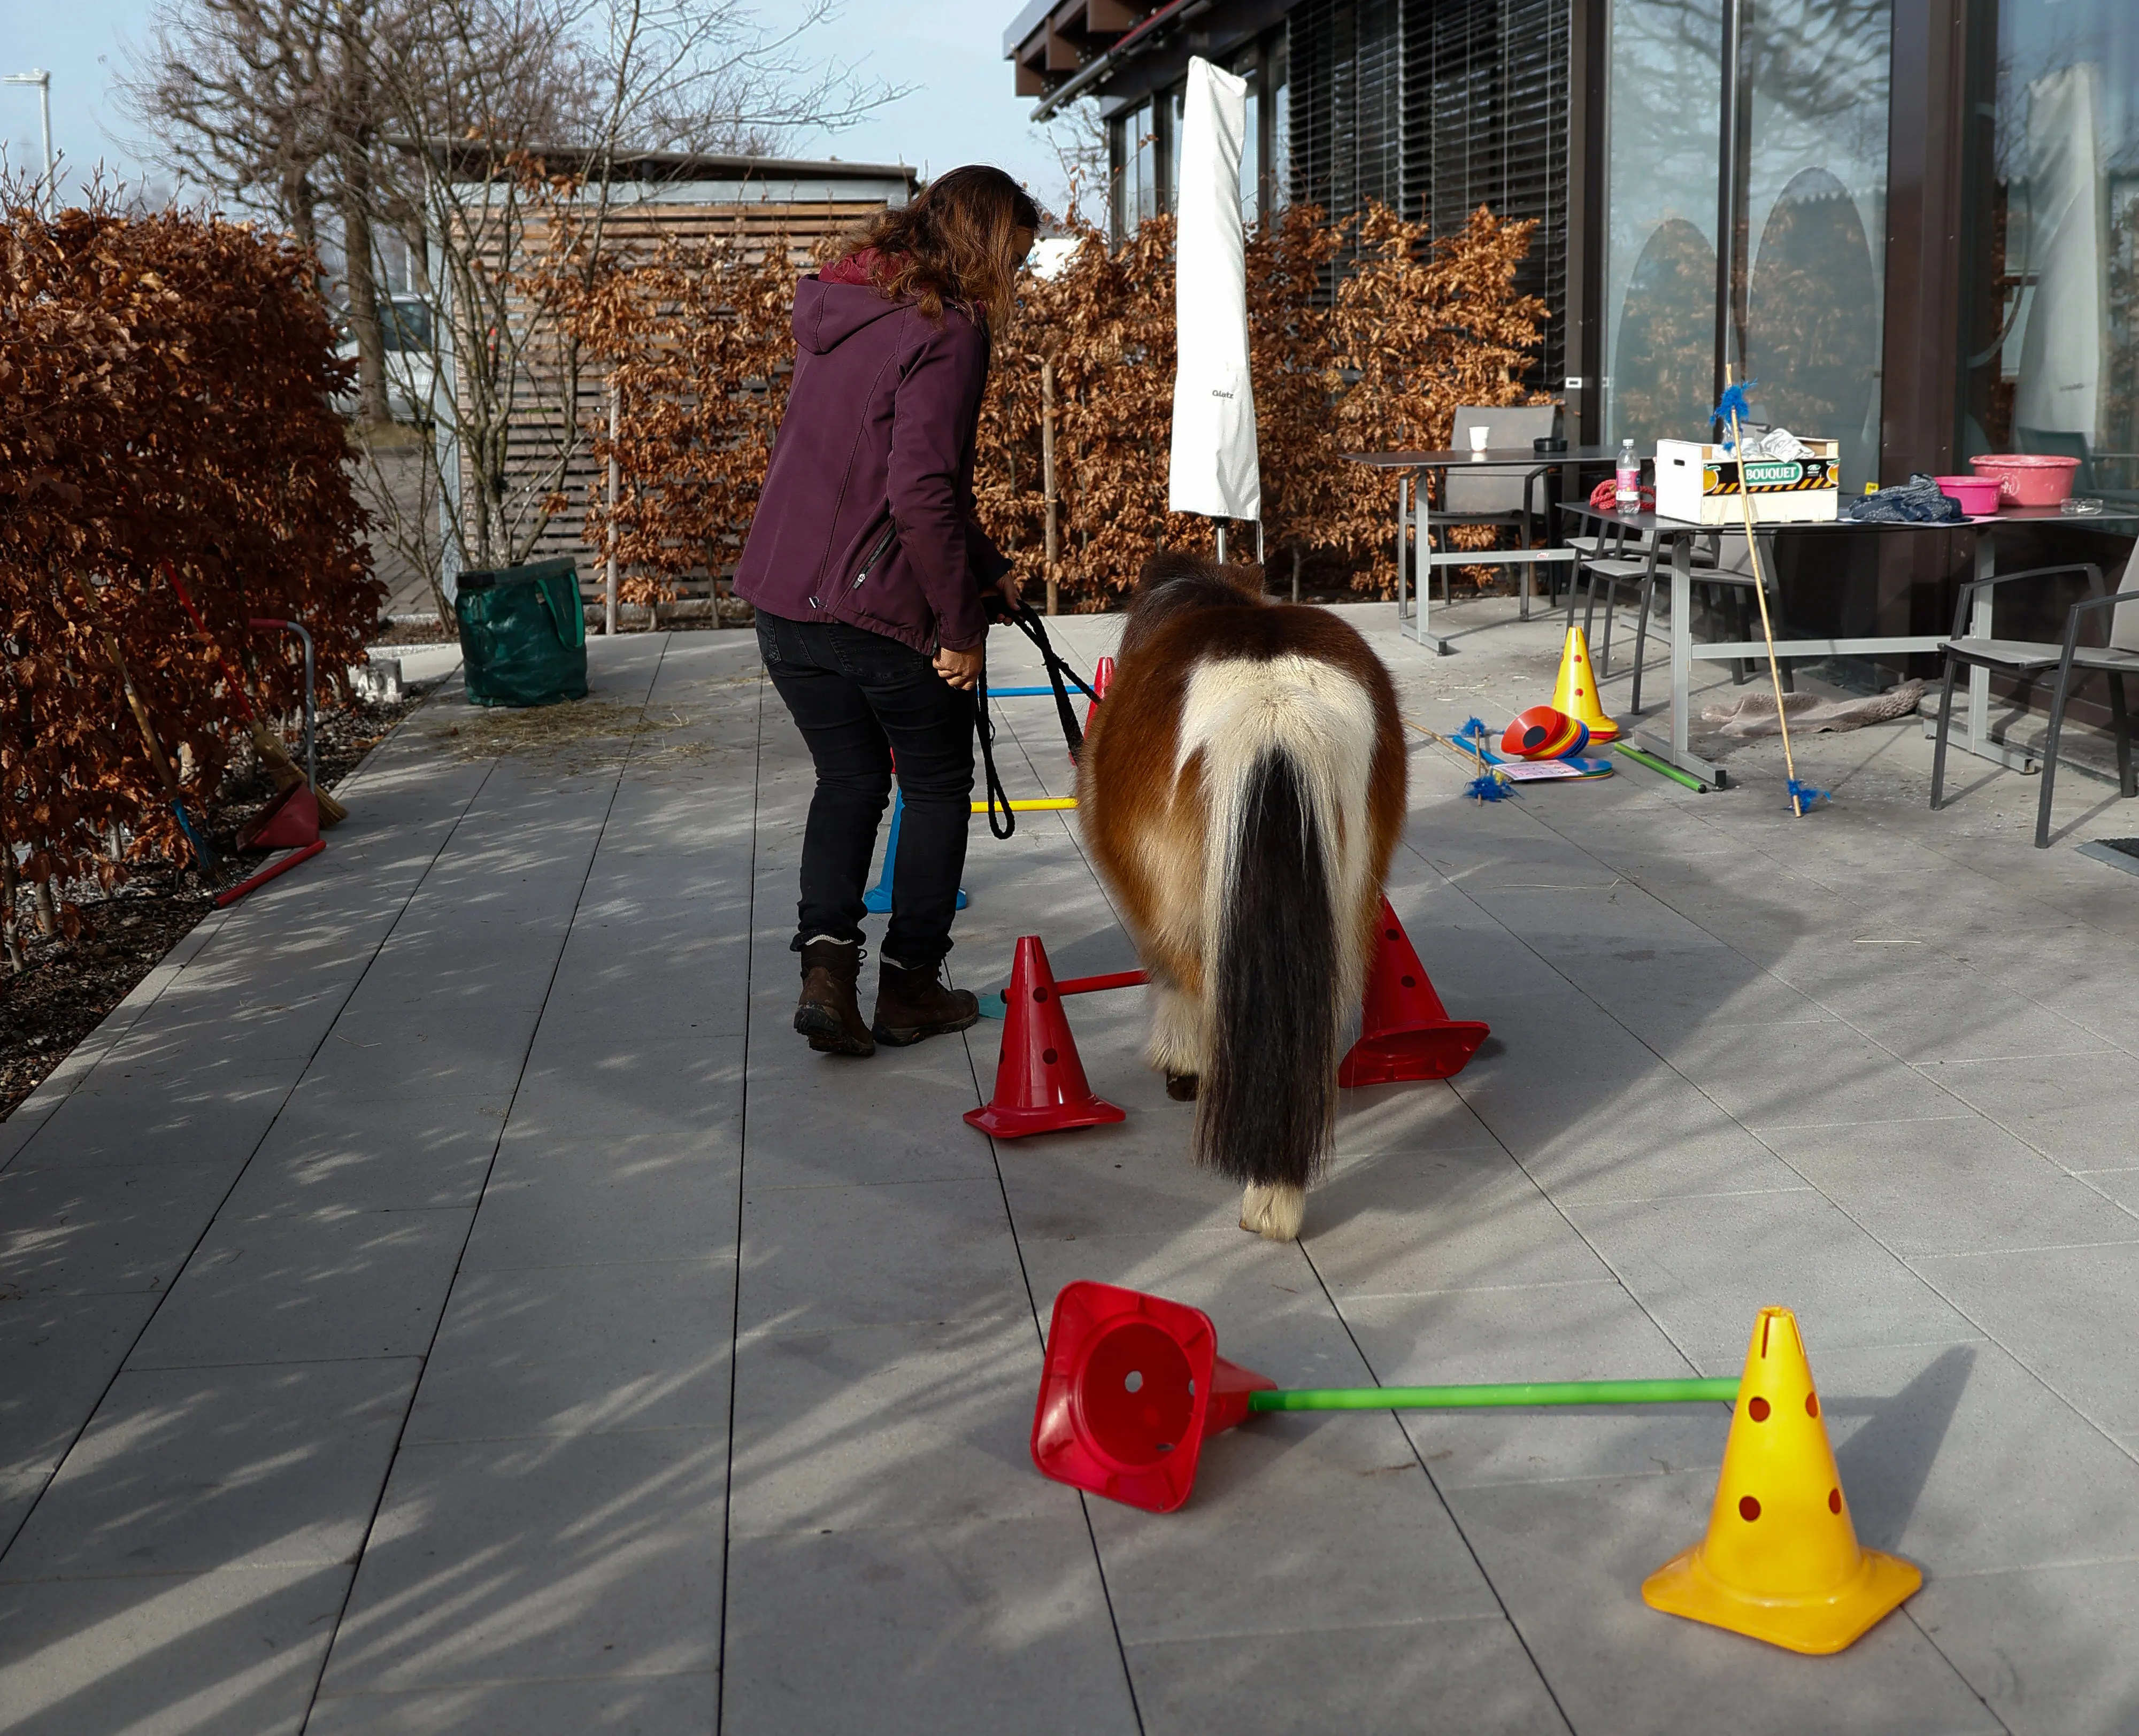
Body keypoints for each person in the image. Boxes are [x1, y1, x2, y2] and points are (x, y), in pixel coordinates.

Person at [734, 165, 1038, 1058]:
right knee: (937, 785)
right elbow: (918, 491)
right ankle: (909, 986)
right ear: (983, 247)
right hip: (876, 613)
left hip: (784, 605)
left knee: (850, 781)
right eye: (1014, 257)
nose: (1015, 279)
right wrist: (962, 628)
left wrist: (989, 570)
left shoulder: (840, 306)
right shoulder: (951, 329)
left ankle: (827, 975)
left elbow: (876, 470)